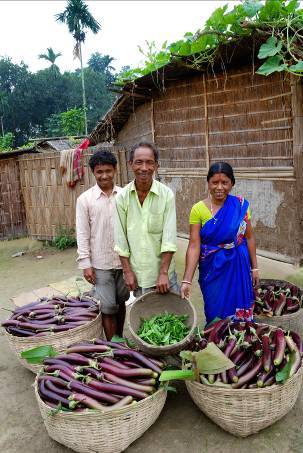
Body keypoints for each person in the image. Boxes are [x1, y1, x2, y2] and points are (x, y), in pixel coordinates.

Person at [180, 162, 259, 325]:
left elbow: (249, 237)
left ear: (232, 184)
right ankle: (215, 341)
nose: (219, 187)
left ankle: (238, 344)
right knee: (214, 310)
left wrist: (255, 267)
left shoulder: (241, 205)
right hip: (212, 267)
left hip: (238, 263)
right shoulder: (198, 209)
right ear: (208, 183)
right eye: (214, 182)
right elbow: (194, 245)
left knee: (239, 310)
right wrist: (187, 280)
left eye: (225, 182)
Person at [76, 150, 130, 339]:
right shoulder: (85, 200)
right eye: (100, 172)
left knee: (121, 301)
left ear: (115, 170)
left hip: (124, 262)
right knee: (107, 307)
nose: (104, 175)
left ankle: (120, 339)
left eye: (108, 170)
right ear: (93, 172)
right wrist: (85, 264)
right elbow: (82, 233)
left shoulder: (125, 195)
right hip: (100, 263)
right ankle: (112, 345)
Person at [114, 141, 179, 296]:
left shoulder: (166, 195)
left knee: (171, 316)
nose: (144, 168)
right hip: (138, 276)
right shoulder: (122, 197)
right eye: (139, 162)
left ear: (156, 165)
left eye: (149, 163)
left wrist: (163, 273)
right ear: (130, 165)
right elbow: (120, 239)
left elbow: (169, 239)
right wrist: (127, 272)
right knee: (143, 318)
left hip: (163, 276)